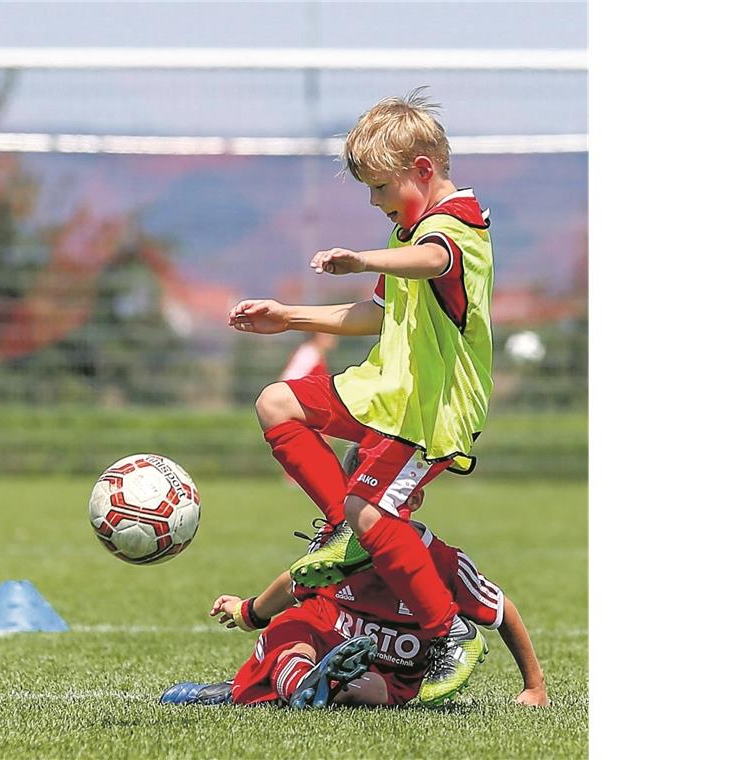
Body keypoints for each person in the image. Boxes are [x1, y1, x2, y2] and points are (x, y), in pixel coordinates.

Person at [227, 87, 496, 702]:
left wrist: (360, 258)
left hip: (427, 407)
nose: (375, 202)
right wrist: (287, 317)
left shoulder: (458, 225)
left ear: (422, 171)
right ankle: (338, 530)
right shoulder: (411, 230)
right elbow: (375, 313)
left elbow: (434, 261)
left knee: (372, 512)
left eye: (380, 188)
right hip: (384, 388)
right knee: (277, 404)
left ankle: (448, 632)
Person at [160, 447, 548, 709]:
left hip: (389, 668)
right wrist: (249, 612)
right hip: (326, 636)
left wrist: (535, 687)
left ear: (414, 499)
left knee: (372, 688)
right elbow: (294, 585)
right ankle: (304, 684)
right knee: (293, 633)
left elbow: (502, 611)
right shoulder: (336, 551)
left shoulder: (442, 563)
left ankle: (298, 687)